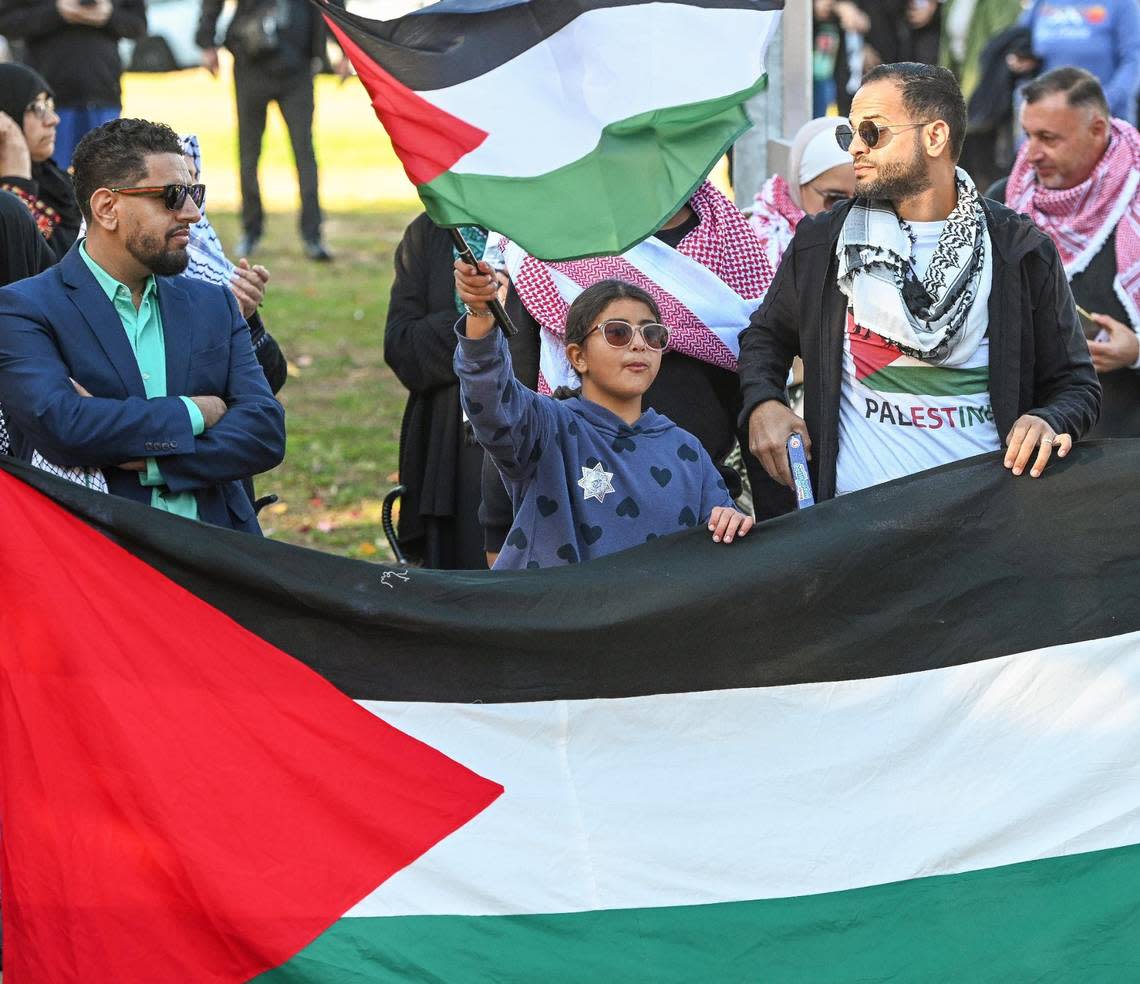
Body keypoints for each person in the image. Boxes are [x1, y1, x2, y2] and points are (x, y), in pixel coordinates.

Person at [738, 62, 1100, 506]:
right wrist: (763, 403)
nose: (854, 148)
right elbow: (765, 336)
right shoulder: (822, 242)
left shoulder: (1019, 250)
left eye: (871, 131)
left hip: (982, 528)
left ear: (934, 137)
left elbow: (1076, 385)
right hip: (853, 529)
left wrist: (1049, 420)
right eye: (847, 133)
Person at [0, 118, 286, 532]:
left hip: (221, 560)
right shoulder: (25, 309)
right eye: (171, 196)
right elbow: (64, 425)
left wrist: (149, 459)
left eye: (194, 192)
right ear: (107, 208)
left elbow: (263, 430)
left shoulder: (212, 303)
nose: (191, 212)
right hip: (102, 563)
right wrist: (197, 410)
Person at [454, 271, 753, 570]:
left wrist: (732, 521)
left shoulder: (687, 451)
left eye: (651, 334)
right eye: (618, 333)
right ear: (577, 356)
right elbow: (490, 398)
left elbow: (722, 534)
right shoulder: (544, 429)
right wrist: (480, 313)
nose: (639, 345)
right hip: (557, 613)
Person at [993, 68, 1140, 438]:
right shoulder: (1004, 200)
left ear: (1097, 129)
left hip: (1123, 449)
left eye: (1048, 138)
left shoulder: (1132, 200)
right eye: (1027, 135)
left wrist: (1136, 352)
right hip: (1032, 440)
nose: (1032, 153)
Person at [384, 215, 488, 570]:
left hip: (538, 436)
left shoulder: (549, 224)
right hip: (451, 450)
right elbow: (402, 348)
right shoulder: (431, 232)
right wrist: (478, 319)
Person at [196, 0, 335, 261]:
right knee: (249, 153)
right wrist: (207, 42)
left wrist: (340, 45)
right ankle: (251, 230)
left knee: (304, 152)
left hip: (298, 61)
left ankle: (312, 235)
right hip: (252, 57)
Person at [180, 132, 287, 396]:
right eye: (174, 190)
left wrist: (247, 319)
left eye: (194, 185)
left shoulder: (207, 260)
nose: (193, 209)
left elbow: (268, 380)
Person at [0, 0, 146, 169]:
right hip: (48, 102)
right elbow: (7, 22)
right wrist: (56, 12)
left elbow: (138, 24)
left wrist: (109, 15)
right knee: (50, 175)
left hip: (102, 93)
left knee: (104, 173)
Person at [746, 116, 856, 273]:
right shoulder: (758, 242)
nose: (848, 211)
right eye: (836, 199)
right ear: (799, 186)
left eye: (861, 200)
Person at [0, 62, 81, 260]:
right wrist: (17, 182)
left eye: (49, 105)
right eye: (36, 107)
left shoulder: (55, 182)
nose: (53, 119)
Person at [1015, 0, 1140, 124]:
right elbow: (1018, 47)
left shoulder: (1123, 4)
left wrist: (1102, 103)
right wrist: (1020, 63)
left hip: (1102, 119)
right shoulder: (1039, 4)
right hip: (1045, 119)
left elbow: (1133, 60)